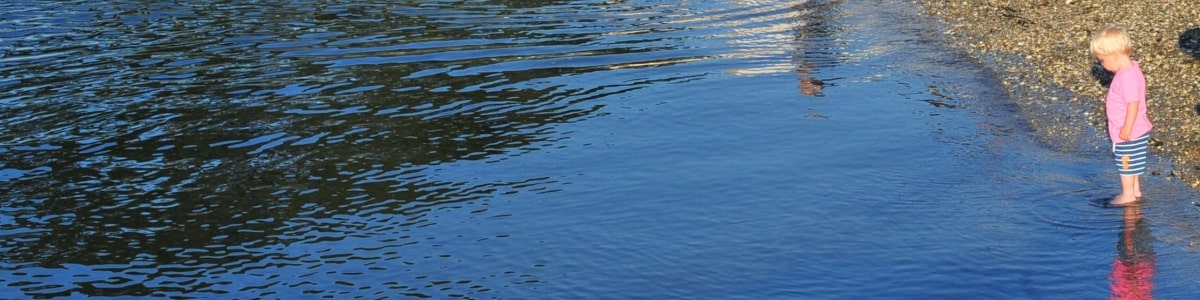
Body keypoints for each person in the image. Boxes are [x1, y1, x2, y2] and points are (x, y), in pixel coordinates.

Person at [1090, 25, 1153, 206]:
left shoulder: (1126, 77)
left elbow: (1133, 103)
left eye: (1102, 60)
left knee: (1125, 164)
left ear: (1115, 56)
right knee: (1133, 163)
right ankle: (1135, 191)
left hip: (1128, 132)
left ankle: (1127, 196)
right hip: (1138, 130)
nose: (1102, 64)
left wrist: (1126, 126)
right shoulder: (1133, 69)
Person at [1109, 202, 1154, 299]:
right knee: (1131, 225)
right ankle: (1133, 202)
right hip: (1138, 260)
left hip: (1142, 260)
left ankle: (1133, 201)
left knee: (1134, 223)